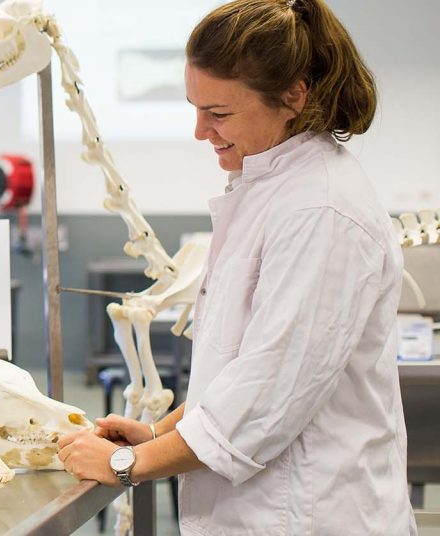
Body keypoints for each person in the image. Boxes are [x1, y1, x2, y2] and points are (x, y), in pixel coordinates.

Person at [56, 0, 416, 533]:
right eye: (195, 108)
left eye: (218, 113)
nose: (200, 131)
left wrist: (127, 464)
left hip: (313, 514)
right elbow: (236, 368)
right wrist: (159, 433)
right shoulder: (270, 188)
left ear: (294, 95)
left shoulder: (320, 208)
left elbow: (270, 391)